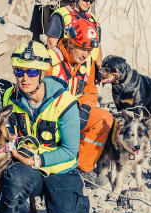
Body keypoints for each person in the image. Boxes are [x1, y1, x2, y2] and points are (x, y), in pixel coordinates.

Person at [0, 41, 89, 213]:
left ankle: (65, 209)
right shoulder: (10, 97)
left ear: (43, 72)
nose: (24, 77)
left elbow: (70, 151)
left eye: (32, 71)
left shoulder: (64, 102)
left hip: (60, 172)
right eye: (19, 71)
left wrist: (36, 160)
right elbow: (10, 133)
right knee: (15, 175)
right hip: (28, 172)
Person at [47, 18, 114, 172]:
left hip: (74, 113)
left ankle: (82, 168)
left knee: (104, 118)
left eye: (89, 50)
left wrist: (84, 109)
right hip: (51, 117)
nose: (86, 54)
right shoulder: (50, 60)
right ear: (70, 43)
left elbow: (90, 91)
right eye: (82, 48)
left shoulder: (88, 63)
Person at [46, 0, 103, 70]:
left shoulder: (94, 20)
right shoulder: (61, 14)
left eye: (91, 1)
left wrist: (99, 67)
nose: (88, 3)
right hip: (67, 65)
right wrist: (58, 67)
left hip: (89, 68)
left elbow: (98, 46)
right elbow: (51, 43)